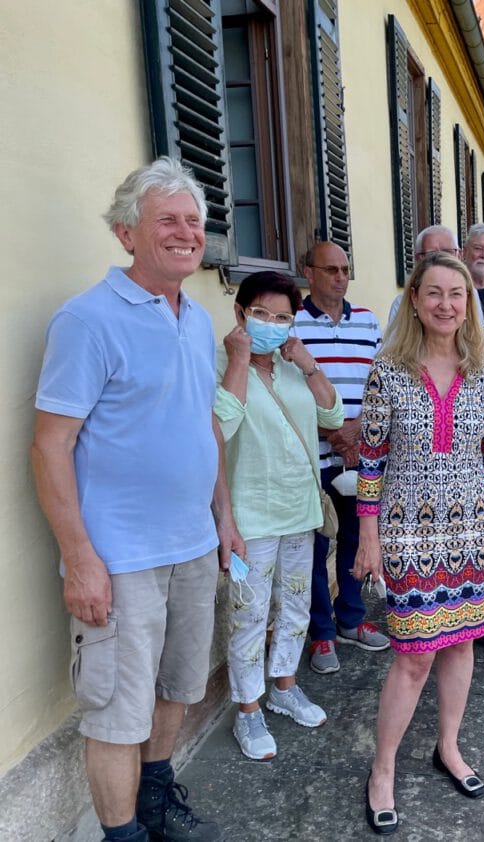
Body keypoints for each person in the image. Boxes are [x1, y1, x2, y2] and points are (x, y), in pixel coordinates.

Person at [31, 157, 243, 842]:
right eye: (168, 221)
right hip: (121, 559)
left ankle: (157, 810)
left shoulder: (193, 319)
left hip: (191, 544)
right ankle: (121, 837)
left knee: (178, 690)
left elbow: (203, 425)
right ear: (127, 233)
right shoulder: (88, 320)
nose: (186, 233)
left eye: (194, 222)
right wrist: (80, 559)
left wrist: (224, 518)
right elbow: (50, 445)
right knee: (118, 713)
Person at [353, 252, 484, 834]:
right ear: (415, 301)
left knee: (463, 644)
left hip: (472, 528)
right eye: (434, 293)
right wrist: (368, 536)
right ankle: (383, 769)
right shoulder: (388, 369)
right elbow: (370, 459)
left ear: (469, 303)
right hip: (408, 531)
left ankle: (448, 746)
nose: (446, 304)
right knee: (413, 656)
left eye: (457, 294)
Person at [215, 272, 347, 760]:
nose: (272, 324)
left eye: (283, 317)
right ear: (240, 314)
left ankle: (285, 686)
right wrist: (237, 360)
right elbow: (222, 426)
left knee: (296, 608)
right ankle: (248, 711)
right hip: (250, 516)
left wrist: (309, 365)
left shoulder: (292, 367)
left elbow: (332, 417)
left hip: (299, 511)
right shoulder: (220, 365)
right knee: (248, 616)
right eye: (262, 315)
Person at [294, 242, 388, 675]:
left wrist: (355, 433)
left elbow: (383, 383)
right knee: (315, 547)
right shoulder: (291, 324)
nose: (340, 277)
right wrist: (333, 431)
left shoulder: (367, 321)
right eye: (330, 269)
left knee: (356, 538)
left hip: (359, 455)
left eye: (345, 269)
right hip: (311, 455)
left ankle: (351, 618)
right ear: (308, 272)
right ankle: (322, 634)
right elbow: (289, 389)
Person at [386, 225, 484, 325]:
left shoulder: (471, 296)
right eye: (432, 254)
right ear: (419, 258)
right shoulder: (402, 303)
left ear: (459, 255)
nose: (440, 259)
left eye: (447, 252)